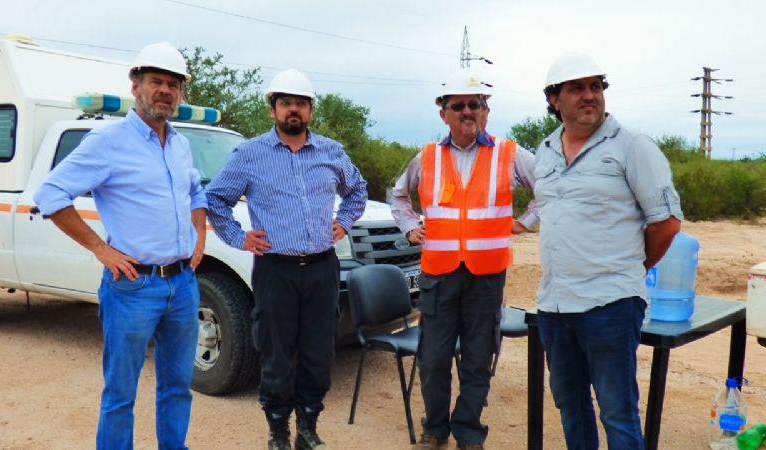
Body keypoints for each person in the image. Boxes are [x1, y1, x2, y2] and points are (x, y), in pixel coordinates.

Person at [33, 42, 206, 450]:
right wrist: (102, 249)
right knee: (120, 395)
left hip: (182, 285)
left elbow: (196, 192)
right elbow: (51, 194)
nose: (164, 90)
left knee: (178, 387)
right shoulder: (108, 141)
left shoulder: (180, 144)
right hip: (132, 288)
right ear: (136, 86)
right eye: (155, 82)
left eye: (172, 84)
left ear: (180, 92)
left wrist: (199, 237)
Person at [205, 68, 367, 450]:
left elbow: (357, 190)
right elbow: (215, 199)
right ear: (273, 108)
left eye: (300, 103)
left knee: (317, 350)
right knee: (277, 352)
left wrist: (343, 222)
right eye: (285, 103)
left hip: (322, 268)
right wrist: (238, 237)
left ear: (310, 109)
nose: (293, 110)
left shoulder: (331, 152)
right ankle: (278, 432)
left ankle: (307, 429)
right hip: (275, 269)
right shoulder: (250, 154)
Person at [533, 52, 683, 450]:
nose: (589, 95)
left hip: (610, 304)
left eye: (596, 86)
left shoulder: (632, 146)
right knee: (571, 406)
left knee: (617, 411)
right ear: (554, 99)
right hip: (555, 305)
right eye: (577, 88)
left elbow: (666, 222)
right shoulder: (544, 151)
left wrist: (630, 266)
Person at [389, 70, 538, 450]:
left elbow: (551, 189)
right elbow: (397, 196)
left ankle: (468, 431)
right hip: (438, 275)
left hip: (487, 276)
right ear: (444, 114)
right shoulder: (426, 157)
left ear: (486, 111)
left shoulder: (509, 153)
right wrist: (409, 227)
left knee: (477, 357)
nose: (467, 111)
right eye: (458, 106)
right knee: (433, 358)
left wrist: (527, 222)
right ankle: (435, 429)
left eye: (475, 104)